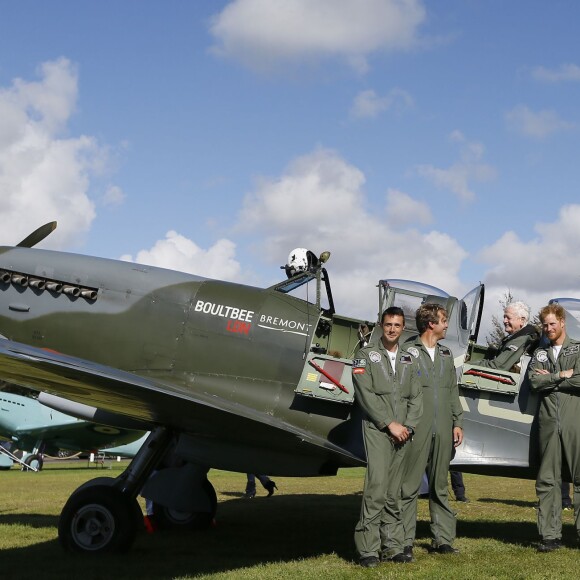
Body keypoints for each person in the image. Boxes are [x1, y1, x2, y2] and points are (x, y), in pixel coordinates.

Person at [352, 307, 423, 567]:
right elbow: (365, 396)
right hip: (378, 431)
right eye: (388, 324)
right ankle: (368, 549)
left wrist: (409, 427)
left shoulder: (409, 358)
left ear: (404, 328)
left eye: (397, 325)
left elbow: (416, 397)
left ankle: (393, 546)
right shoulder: (365, 356)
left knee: (394, 492)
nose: (392, 329)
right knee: (377, 489)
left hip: (404, 433)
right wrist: (389, 424)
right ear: (381, 326)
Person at [400, 303, 464, 556]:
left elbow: (452, 391)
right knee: (409, 486)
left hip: (443, 427)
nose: (447, 324)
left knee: (439, 485)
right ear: (431, 324)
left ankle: (443, 540)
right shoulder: (407, 352)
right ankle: (402, 540)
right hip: (416, 428)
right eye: (444, 320)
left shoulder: (447, 354)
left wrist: (457, 421)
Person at [528, 303, 580, 552]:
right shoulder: (540, 353)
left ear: (562, 323)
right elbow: (534, 382)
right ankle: (550, 536)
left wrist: (552, 378)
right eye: (544, 325)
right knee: (548, 479)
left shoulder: (578, 348)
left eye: (552, 323)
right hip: (548, 422)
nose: (548, 328)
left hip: (575, 422)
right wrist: (562, 376)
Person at [478, 301, 538, 372]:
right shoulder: (514, 337)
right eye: (504, 317)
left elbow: (498, 366)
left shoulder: (522, 339)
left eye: (508, 318)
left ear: (522, 320)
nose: (504, 321)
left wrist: (468, 363)